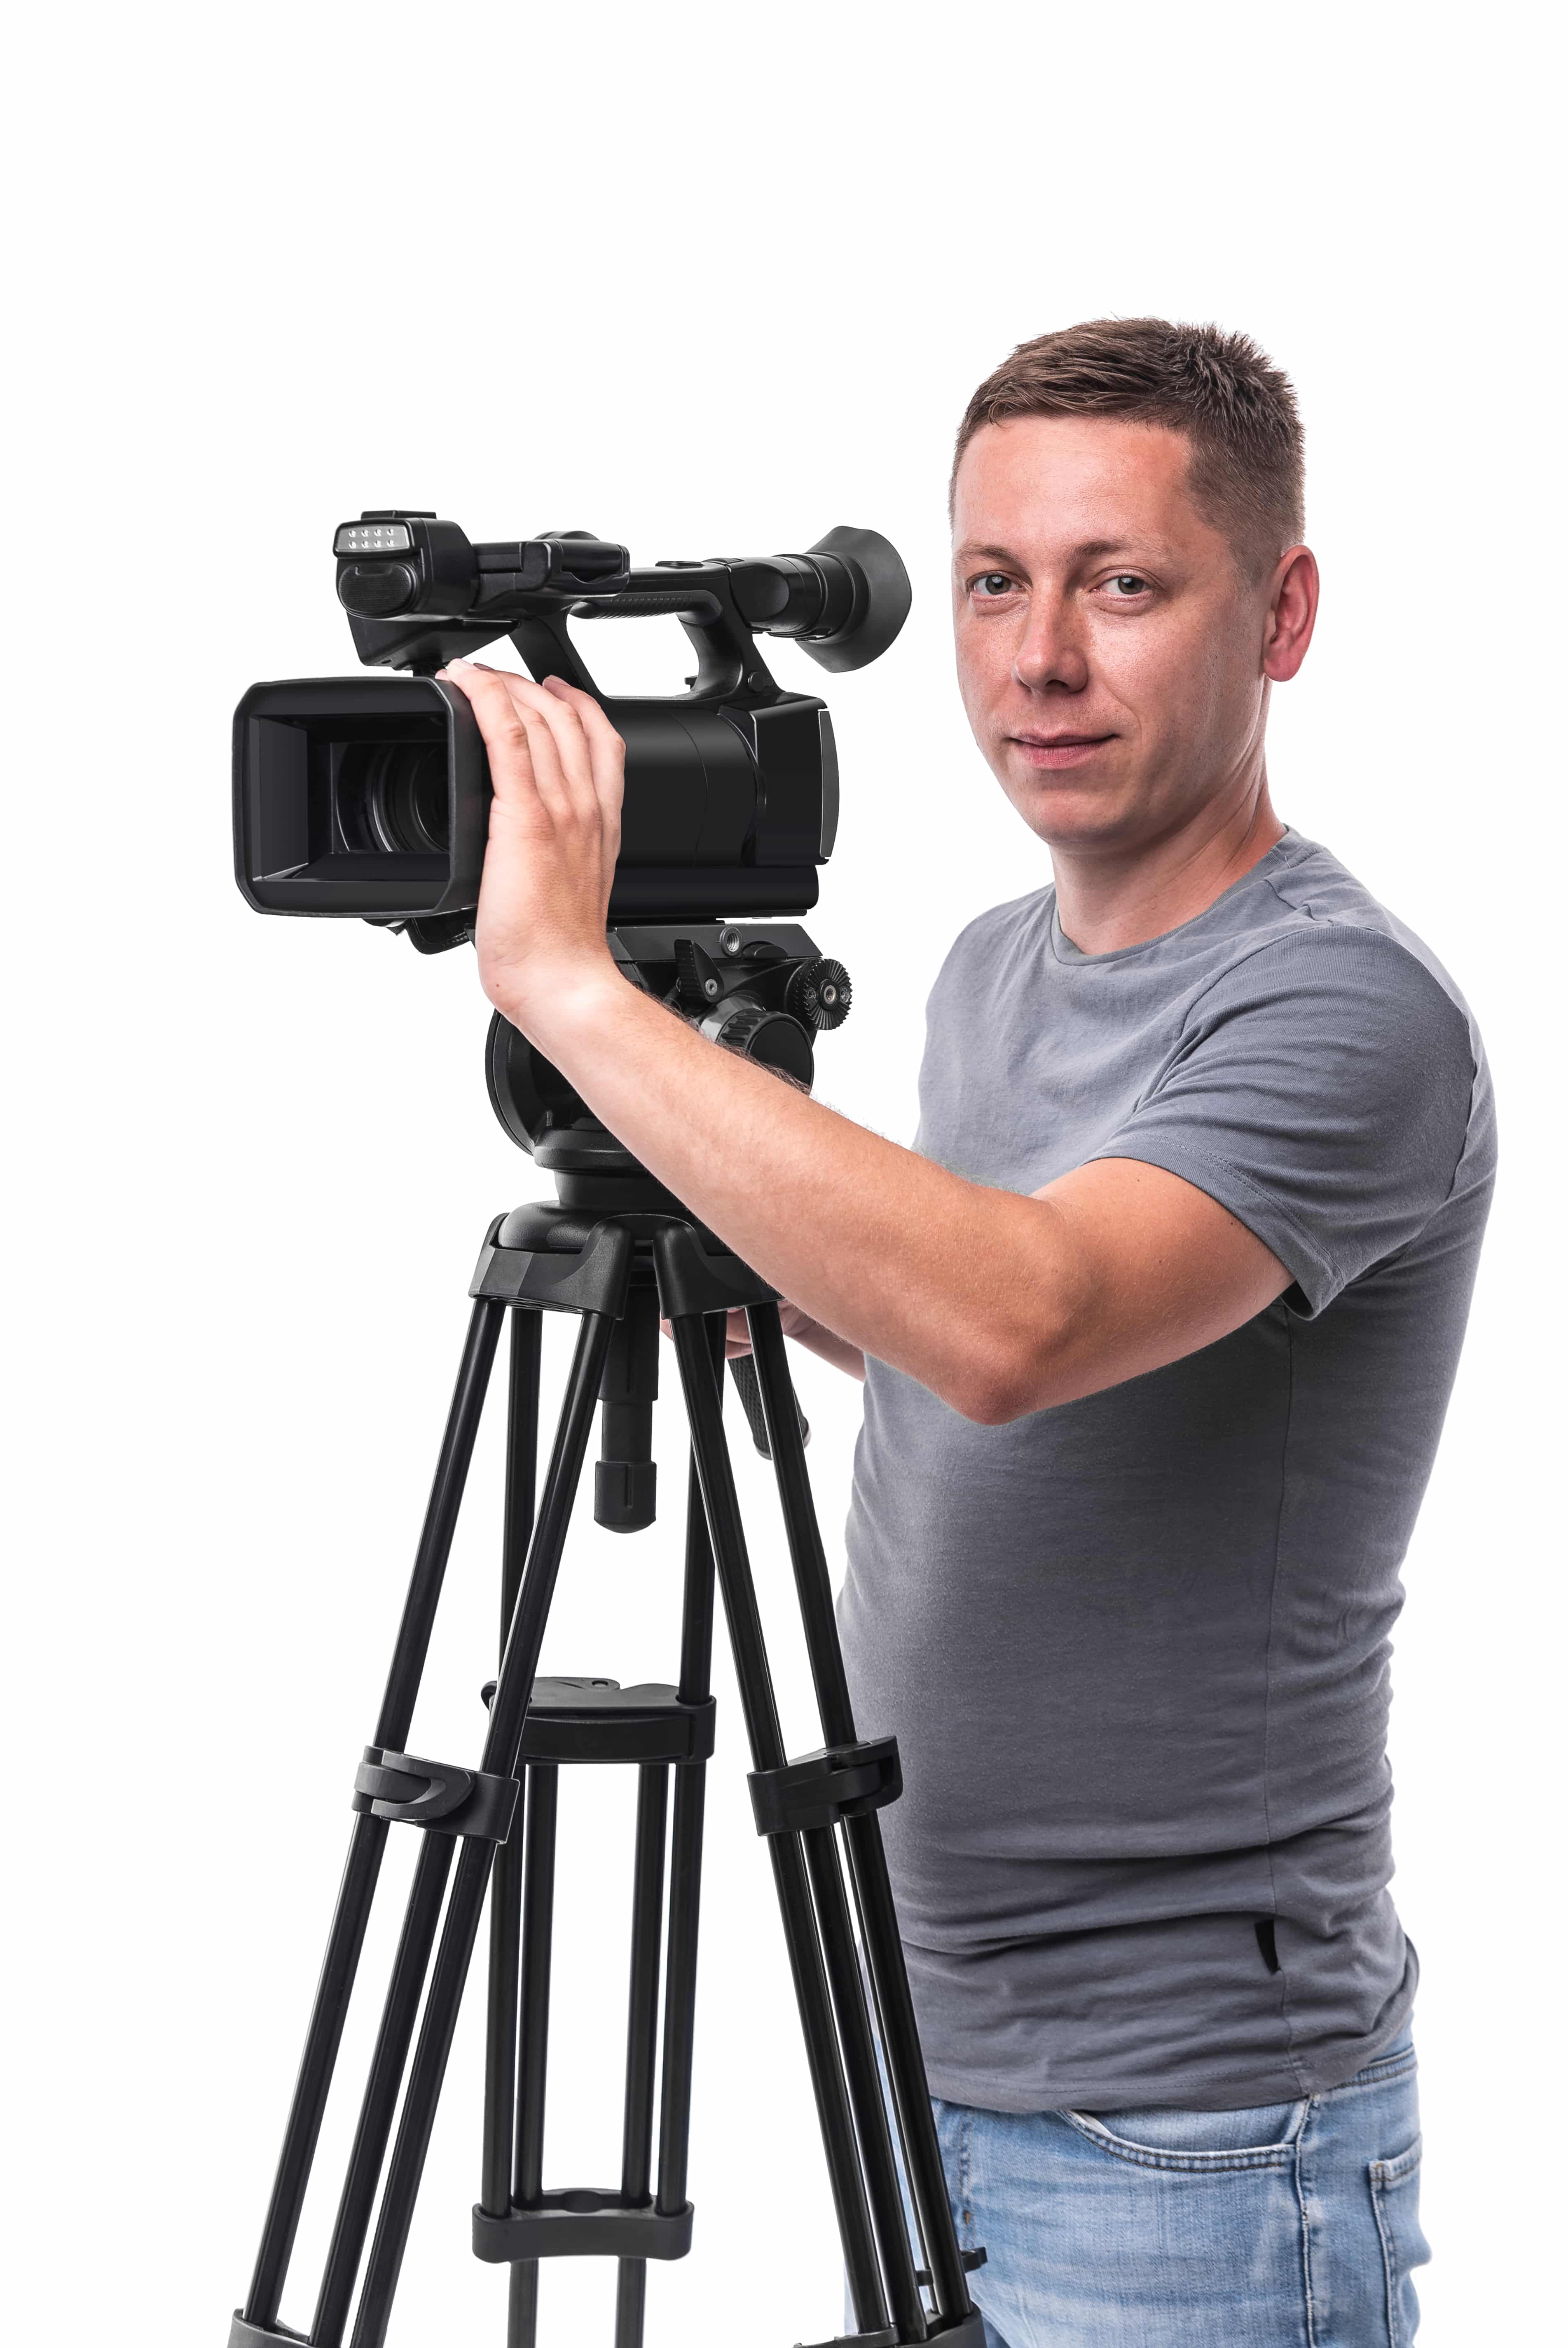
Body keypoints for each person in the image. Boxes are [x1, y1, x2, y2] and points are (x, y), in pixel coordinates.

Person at [438, 317, 1494, 2348]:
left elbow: (1025, 1317)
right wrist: (774, 1284)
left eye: (1123, 583)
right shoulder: (990, 968)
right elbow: (952, 1311)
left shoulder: (1344, 1013)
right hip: (917, 2072)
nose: (1039, 659)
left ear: (1278, 616)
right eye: (995, 583)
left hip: (1187, 2140)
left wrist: (577, 993)